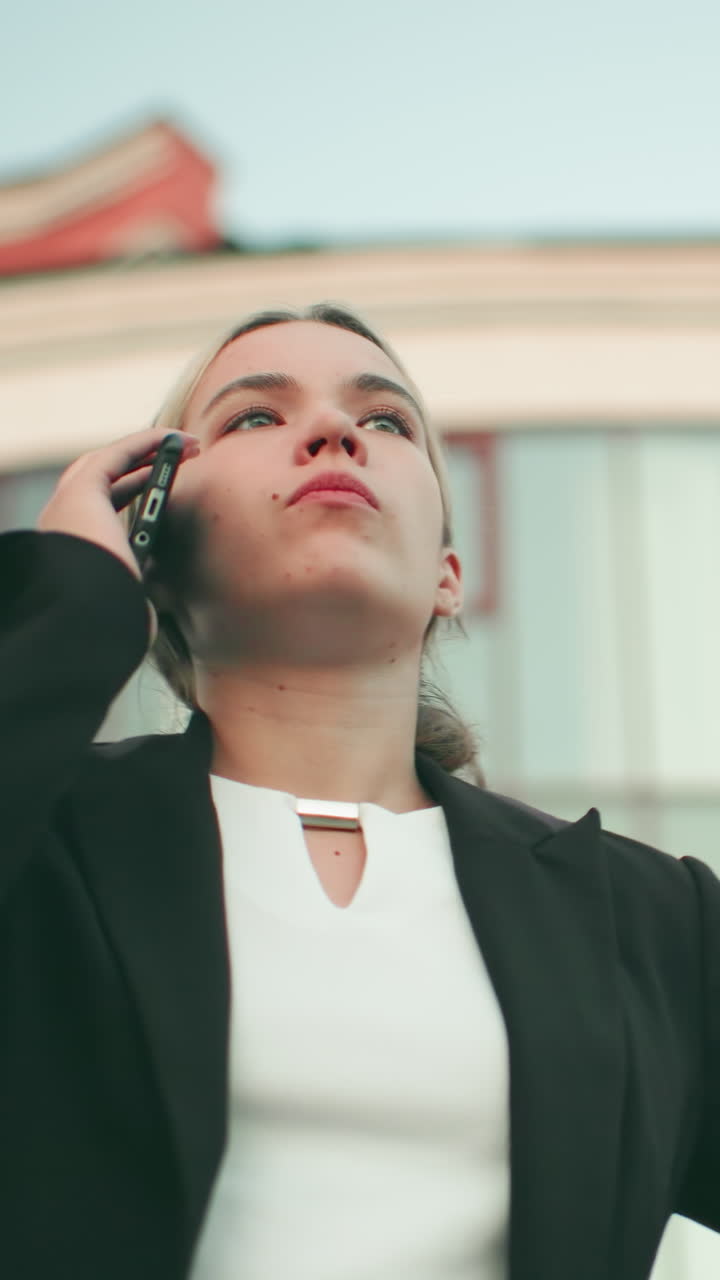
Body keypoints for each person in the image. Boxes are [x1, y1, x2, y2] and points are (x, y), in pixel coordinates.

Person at [2, 302, 719, 1280]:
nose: (336, 431)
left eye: (387, 420)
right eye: (255, 416)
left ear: (448, 575)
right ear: (151, 543)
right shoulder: (45, 839)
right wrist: (75, 593)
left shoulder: (656, 920)